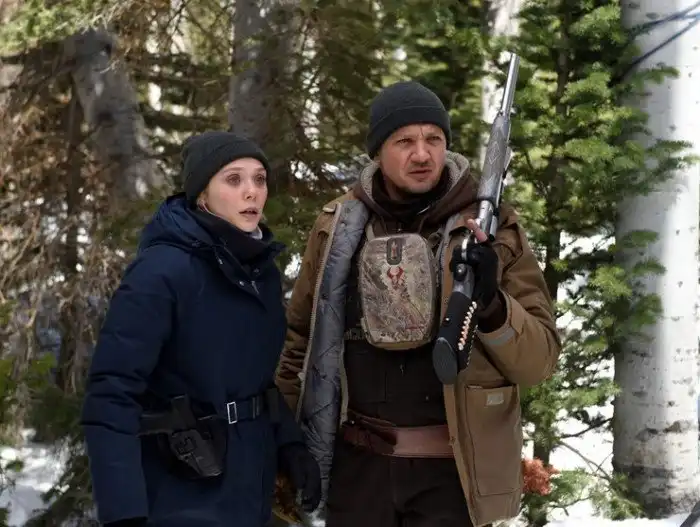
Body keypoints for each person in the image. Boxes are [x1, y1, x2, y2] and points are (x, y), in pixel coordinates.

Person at [275, 81, 561, 527]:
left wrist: (492, 305)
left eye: (434, 139)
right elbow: (299, 343)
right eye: (404, 141)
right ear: (377, 151)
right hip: (358, 476)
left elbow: (539, 362)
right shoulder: (336, 228)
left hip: (452, 481)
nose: (422, 154)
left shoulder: (491, 229)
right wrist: (283, 445)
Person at [81, 131, 321, 527]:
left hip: (249, 487)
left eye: (259, 179)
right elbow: (112, 393)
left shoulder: (259, 272)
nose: (252, 192)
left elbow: (255, 381)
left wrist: (290, 446)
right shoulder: (161, 272)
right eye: (234, 179)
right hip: (180, 490)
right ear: (202, 195)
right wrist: (124, 513)